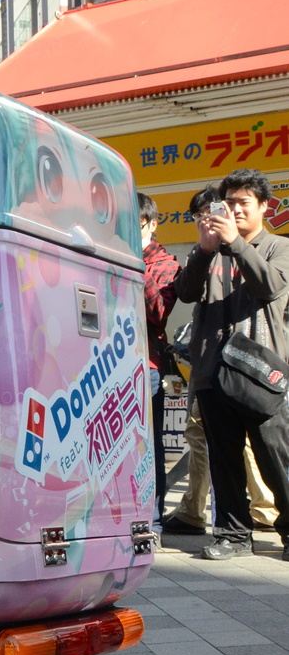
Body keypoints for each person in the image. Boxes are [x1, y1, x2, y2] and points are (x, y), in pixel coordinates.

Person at [176, 167, 289, 560]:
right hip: (211, 374)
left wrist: (236, 245)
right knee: (223, 460)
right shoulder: (210, 251)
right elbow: (185, 292)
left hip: (260, 374)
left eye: (245, 202)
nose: (236, 210)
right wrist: (205, 249)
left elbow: (271, 287)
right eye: (230, 202)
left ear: (264, 206)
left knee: (276, 458)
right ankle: (233, 536)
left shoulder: (278, 247)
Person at [138, 192, 179, 530]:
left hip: (147, 365)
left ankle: (153, 515)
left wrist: (135, 264)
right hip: (105, 362)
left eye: (133, 225)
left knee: (149, 445)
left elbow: (158, 314)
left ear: (151, 224)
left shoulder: (166, 263)